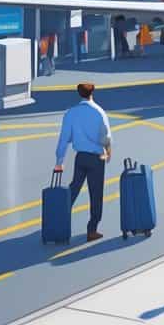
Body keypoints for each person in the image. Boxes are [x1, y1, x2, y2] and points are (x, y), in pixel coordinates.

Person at [54, 83, 112, 242]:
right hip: (96, 158)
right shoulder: (99, 112)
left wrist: (59, 161)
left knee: (74, 188)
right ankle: (92, 230)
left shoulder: (70, 113)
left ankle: (59, 220)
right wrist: (108, 152)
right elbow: (105, 137)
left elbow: (64, 139)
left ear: (79, 94)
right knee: (96, 194)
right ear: (92, 93)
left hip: (80, 157)